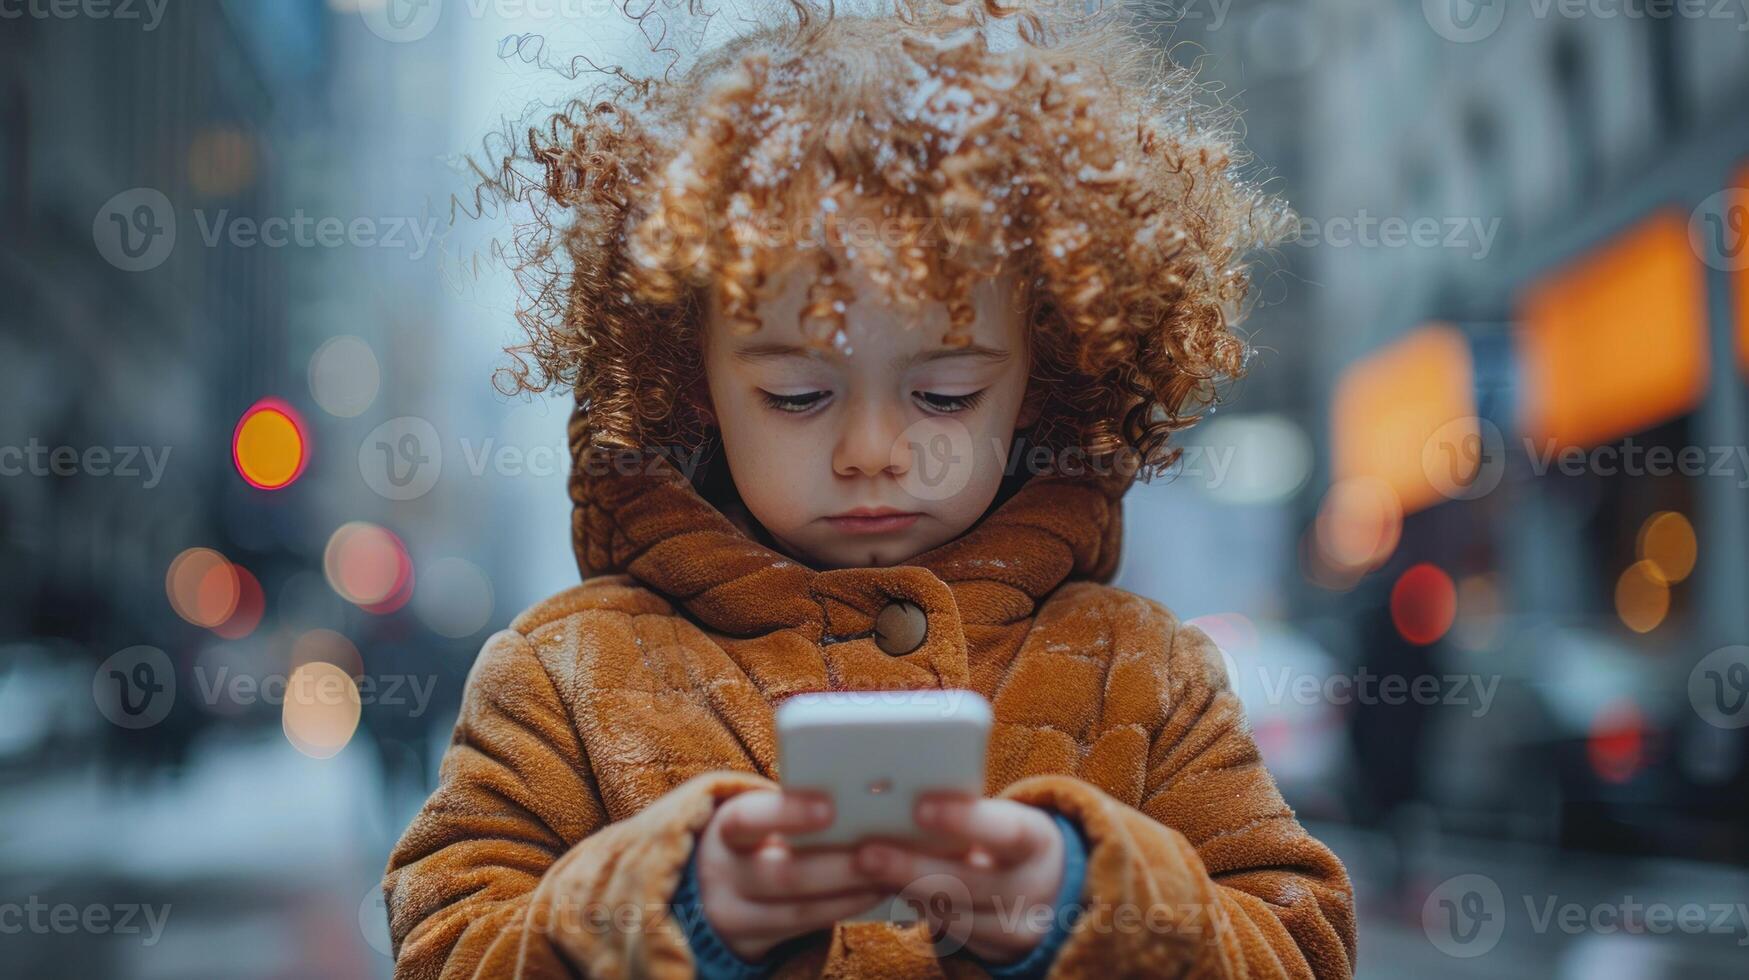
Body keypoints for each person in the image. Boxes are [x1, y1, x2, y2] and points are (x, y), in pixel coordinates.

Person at [382, 2, 1355, 977]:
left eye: (944, 392)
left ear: (1041, 376)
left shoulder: (1146, 674)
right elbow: (447, 943)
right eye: (798, 394)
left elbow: (1300, 940)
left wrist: (1080, 900)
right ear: (692, 378)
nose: (874, 449)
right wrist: (679, 904)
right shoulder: (562, 676)